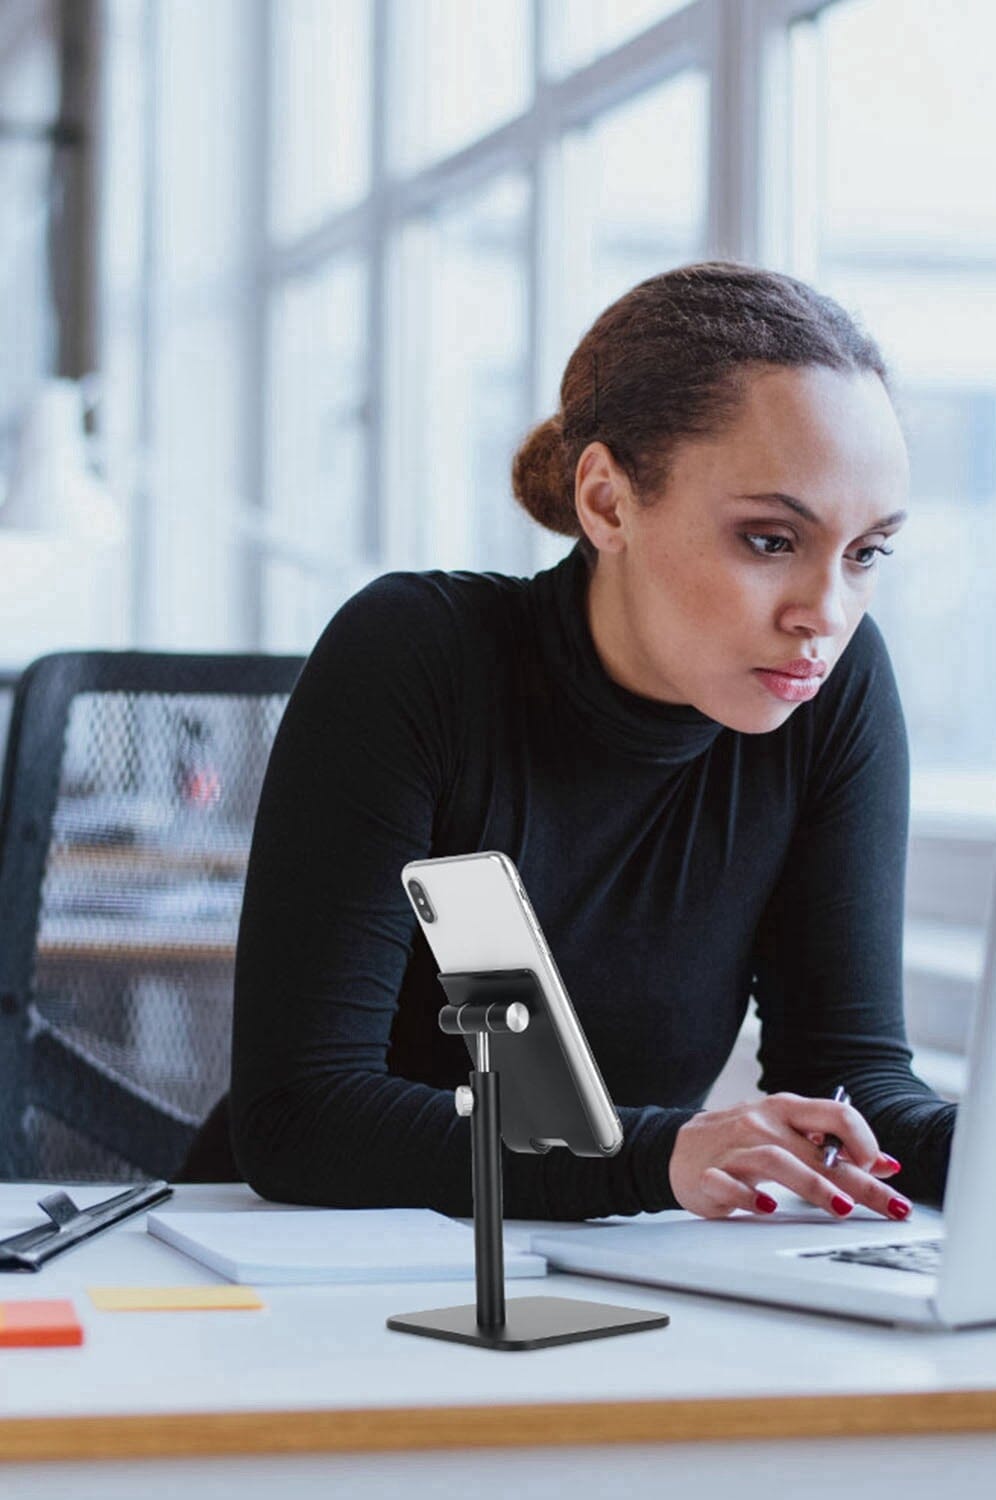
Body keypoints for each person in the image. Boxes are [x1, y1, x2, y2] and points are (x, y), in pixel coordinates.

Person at [183, 261, 956, 1222]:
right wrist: (655, 1157)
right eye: (769, 540)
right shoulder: (417, 658)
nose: (825, 613)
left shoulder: (832, 694)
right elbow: (302, 1117)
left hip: (584, 1265)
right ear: (607, 502)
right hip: (290, 1268)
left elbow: (846, 1080)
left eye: (867, 553)